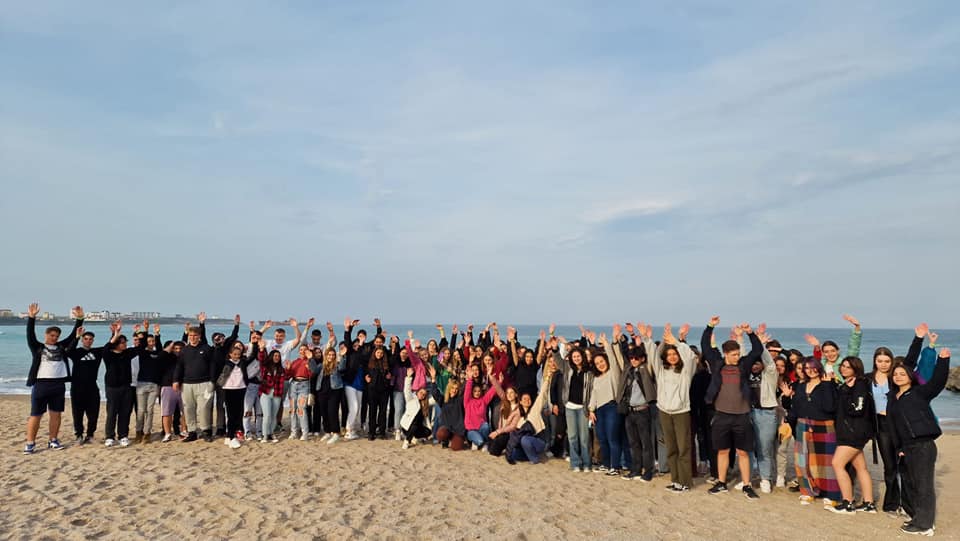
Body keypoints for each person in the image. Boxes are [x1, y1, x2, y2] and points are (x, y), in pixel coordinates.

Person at [889, 345, 950, 536]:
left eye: (902, 374)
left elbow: (938, 382)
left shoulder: (919, 392)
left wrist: (943, 361)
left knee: (924, 485)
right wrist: (899, 447)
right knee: (911, 483)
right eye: (895, 374)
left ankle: (925, 525)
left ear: (910, 376)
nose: (898, 376)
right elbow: (894, 426)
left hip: (923, 445)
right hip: (906, 446)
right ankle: (917, 517)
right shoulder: (894, 398)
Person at [701, 317, 763, 500]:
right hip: (721, 415)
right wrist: (710, 326)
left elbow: (757, 350)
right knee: (723, 450)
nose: (737, 357)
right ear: (726, 354)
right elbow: (705, 345)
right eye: (734, 354)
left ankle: (747, 485)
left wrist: (750, 332)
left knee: (743, 452)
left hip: (742, 416)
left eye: (738, 354)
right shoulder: (717, 364)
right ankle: (721, 483)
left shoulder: (744, 365)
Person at [23, 303, 83, 453]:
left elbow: (73, 336)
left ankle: (53, 440)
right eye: (52, 335)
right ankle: (30, 443)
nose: (54, 338)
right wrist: (32, 317)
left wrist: (80, 319)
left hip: (58, 385)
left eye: (56, 336)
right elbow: (30, 334)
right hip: (41, 385)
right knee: (36, 415)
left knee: (56, 415)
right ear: (46, 335)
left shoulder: (61, 347)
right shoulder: (37, 347)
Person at [643, 323, 696, 490]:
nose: (672, 357)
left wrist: (677, 342)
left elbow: (690, 357)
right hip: (664, 412)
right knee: (671, 448)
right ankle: (675, 480)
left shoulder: (686, 371)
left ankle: (685, 482)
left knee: (683, 448)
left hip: (681, 412)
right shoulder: (661, 371)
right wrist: (647, 339)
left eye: (675, 354)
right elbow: (653, 356)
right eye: (669, 354)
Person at [788, 357, 841, 508]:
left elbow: (830, 407)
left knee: (826, 462)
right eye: (807, 368)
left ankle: (831, 494)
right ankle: (808, 491)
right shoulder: (800, 385)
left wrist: (827, 385)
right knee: (802, 460)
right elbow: (795, 407)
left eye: (813, 367)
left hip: (824, 424)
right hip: (803, 424)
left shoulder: (828, 384)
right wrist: (789, 422)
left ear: (819, 367)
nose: (810, 371)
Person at [831, 356, 877, 514]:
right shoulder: (847, 384)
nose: (844, 369)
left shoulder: (860, 384)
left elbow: (857, 409)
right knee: (860, 467)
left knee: (837, 464)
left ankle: (848, 503)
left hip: (853, 432)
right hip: (850, 431)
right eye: (843, 366)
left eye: (848, 367)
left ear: (856, 369)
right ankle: (869, 503)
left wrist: (845, 392)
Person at [588, 329, 626, 476]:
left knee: (612, 438)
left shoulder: (613, 373)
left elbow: (613, 359)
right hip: (599, 410)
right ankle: (606, 464)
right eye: (597, 363)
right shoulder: (596, 378)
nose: (600, 364)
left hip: (612, 408)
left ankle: (615, 466)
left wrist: (606, 344)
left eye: (602, 361)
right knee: (602, 438)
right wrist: (591, 409)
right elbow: (594, 394)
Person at [101, 322, 138, 447]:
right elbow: (106, 347)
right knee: (112, 413)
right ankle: (109, 436)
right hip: (112, 387)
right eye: (122, 342)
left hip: (126, 387)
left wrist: (139, 332)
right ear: (116, 344)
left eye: (125, 342)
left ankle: (123, 435)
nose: (125, 344)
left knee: (125, 412)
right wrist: (115, 334)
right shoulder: (108, 355)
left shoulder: (127, 353)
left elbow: (140, 347)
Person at [67, 326, 104, 445]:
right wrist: (77, 336)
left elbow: (110, 346)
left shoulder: (97, 352)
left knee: (93, 414)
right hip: (77, 388)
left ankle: (90, 435)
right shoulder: (76, 352)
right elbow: (68, 351)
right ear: (83, 340)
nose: (88, 341)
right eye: (86, 339)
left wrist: (115, 333)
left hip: (92, 387)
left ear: (93, 340)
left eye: (90, 339)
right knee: (77, 413)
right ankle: (79, 435)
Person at [216, 340, 252, 449]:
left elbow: (252, 356)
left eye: (238, 354)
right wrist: (220, 344)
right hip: (229, 390)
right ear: (230, 354)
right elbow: (221, 378)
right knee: (231, 414)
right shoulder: (227, 363)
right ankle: (231, 437)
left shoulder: (242, 363)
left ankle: (229, 436)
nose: (236, 356)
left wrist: (254, 344)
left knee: (238, 413)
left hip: (240, 389)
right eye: (234, 354)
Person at [134, 325, 164, 443]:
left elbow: (160, 348)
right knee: (141, 410)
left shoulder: (158, 353)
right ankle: (138, 432)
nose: (151, 343)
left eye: (153, 341)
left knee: (150, 410)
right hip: (142, 384)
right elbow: (141, 345)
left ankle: (147, 433)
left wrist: (157, 334)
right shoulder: (143, 353)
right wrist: (145, 330)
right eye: (149, 341)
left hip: (154, 385)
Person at [464, 361, 503, 451]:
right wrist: (470, 379)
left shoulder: (484, 400)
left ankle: (486, 443)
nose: (477, 393)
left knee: (486, 426)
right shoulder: (468, 401)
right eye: (475, 391)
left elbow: (492, 391)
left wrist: (499, 382)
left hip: (481, 428)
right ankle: (477, 441)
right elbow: (467, 390)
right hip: (471, 430)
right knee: (479, 441)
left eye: (479, 391)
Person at [316, 345, 347, 444]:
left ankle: (336, 433)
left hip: (334, 392)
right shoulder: (321, 366)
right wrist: (310, 359)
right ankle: (327, 432)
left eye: (333, 355)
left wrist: (342, 356)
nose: (331, 356)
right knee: (324, 413)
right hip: (322, 392)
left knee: (332, 412)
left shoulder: (337, 365)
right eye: (329, 355)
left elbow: (342, 368)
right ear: (326, 355)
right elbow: (314, 370)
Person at [285, 344, 316, 440]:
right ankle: (294, 432)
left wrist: (310, 363)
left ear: (308, 351)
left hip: (304, 385)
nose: (302, 351)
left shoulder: (310, 361)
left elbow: (313, 374)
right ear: (299, 351)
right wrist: (288, 369)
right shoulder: (295, 362)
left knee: (301, 409)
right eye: (301, 349)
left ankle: (305, 433)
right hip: (293, 385)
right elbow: (288, 376)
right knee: (293, 409)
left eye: (304, 350)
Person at [399, 367, 436, 449]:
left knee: (428, 432)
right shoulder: (411, 399)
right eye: (421, 392)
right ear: (417, 392)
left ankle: (414, 437)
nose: (422, 395)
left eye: (424, 394)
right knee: (414, 425)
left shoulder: (426, 403)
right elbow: (407, 390)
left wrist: (433, 381)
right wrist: (408, 377)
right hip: (407, 426)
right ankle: (407, 441)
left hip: (417, 428)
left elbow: (435, 399)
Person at [159, 340, 185, 442]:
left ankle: (184, 431)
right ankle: (167, 433)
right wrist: (171, 346)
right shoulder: (167, 357)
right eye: (175, 348)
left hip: (183, 387)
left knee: (185, 411)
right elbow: (161, 355)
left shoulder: (186, 358)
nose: (178, 350)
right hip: (167, 386)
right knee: (166, 412)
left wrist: (186, 346)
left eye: (180, 348)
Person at [365, 345, 393, 440]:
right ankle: (371, 432)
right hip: (372, 390)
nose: (379, 354)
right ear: (374, 353)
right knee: (372, 411)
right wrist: (366, 377)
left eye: (381, 353)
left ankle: (382, 432)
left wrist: (390, 376)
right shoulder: (370, 363)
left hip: (384, 391)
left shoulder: (386, 364)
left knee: (383, 412)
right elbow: (365, 373)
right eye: (378, 352)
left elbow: (391, 371)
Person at [259, 350, 285, 443]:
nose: (277, 357)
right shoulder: (265, 367)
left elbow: (285, 379)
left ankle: (271, 433)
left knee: (274, 416)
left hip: (277, 394)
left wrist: (289, 369)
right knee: (267, 415)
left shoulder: (281, 369)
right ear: (271, 356)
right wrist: (262, 350)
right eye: (275, 355)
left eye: (278, 356)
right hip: (266, 393)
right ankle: (265, 435)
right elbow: (261, 359)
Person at [488, 386, 521, 456]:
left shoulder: (518, 409)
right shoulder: (504, 406)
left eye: (511, 393)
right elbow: (500, 422)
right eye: (507, 393)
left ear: (516, 395)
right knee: (490, 443)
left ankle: (510, 447)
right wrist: (498, 433)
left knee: (494, 451)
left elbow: (512, 427)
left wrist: (497, 432)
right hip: (502, 432)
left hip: (511, 434)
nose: (509, 395)